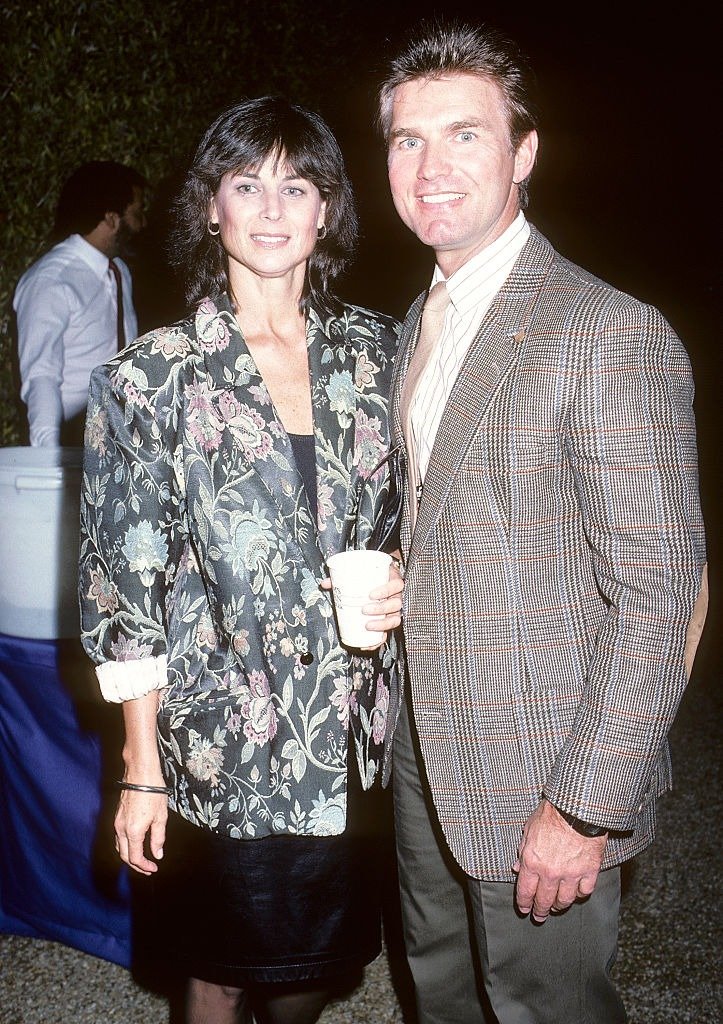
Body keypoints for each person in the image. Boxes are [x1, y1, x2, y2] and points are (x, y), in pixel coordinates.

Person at [376, 19, 709, 1024]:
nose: (430, 166)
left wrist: (583, 807)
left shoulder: (607, 332)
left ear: (524, 152)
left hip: (540, 776)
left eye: (464, 135)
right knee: (442, 995)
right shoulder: (415, 323)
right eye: (406, 140)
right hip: (422, 755)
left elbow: (661, 596)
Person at [79, 97, 402, 1024]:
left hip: (350, 740)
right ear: (209, 206)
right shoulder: (150, 379)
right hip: (219, 743)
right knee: (217, 973)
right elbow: (122, 584)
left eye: (295, 185)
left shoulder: (380, 353)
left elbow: (423, 519)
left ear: (327, 210)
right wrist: (141, 771)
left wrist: (402, 584)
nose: (271, 208)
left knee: (314, 971)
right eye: (245, 184)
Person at [14, 160, 146, 446]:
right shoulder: (51, 281)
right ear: (112, 219)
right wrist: (48, 456)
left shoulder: (118, 269)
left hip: (117, 429)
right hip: (70, 434)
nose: (143, 224)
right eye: (136, 213)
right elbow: (41, 376)